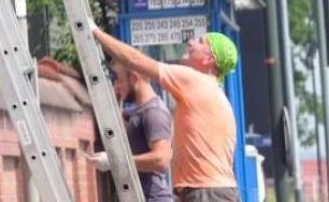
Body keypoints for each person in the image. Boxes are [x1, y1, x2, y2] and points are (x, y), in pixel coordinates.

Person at [94, 27, 241, 201]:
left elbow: (134, 59)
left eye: (201, 42)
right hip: (209, 191)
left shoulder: (195, 81)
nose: (191, 42)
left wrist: (96, 33)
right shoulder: (214, 92)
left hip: (207, 193)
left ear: (209, 59)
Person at [93, 63, 175, 202]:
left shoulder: (154, 113)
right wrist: (114, 98)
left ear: (133, 78)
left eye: (118, 79)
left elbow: (161, 159)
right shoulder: (136, 112)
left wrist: (115, 161)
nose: (117, 85)